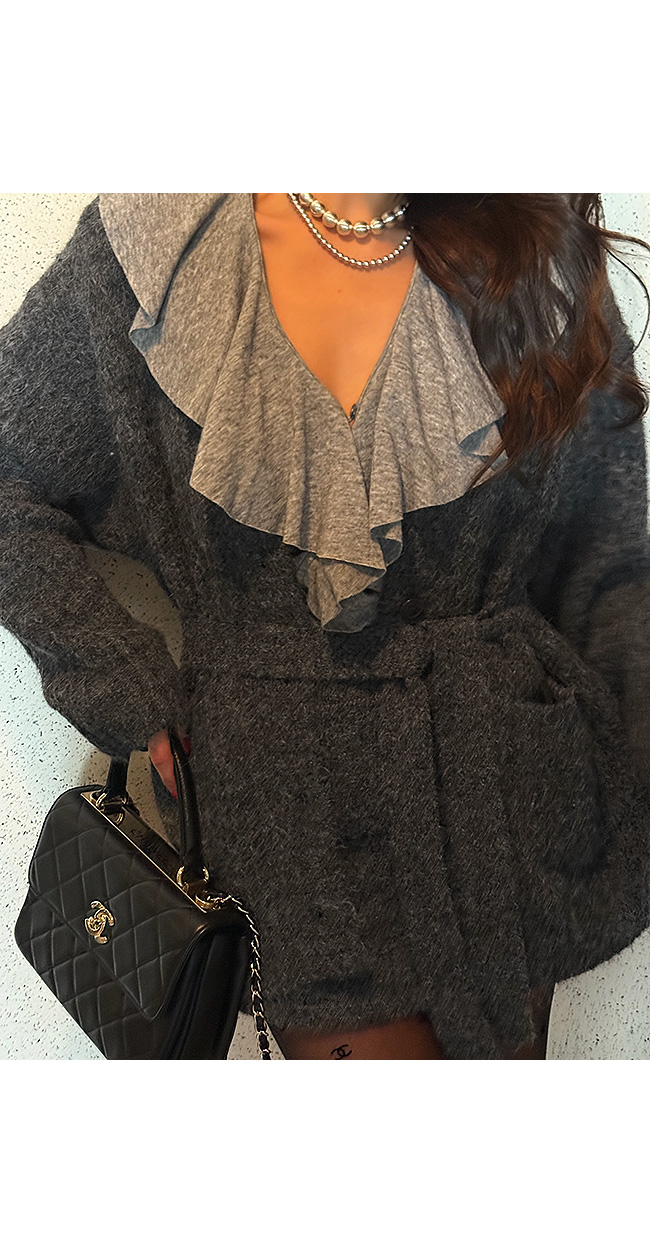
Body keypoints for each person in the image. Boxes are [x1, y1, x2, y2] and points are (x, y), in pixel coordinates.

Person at [1, 192, 649, 1060]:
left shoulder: (530, 246)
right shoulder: (154, 251)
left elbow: (609, 568)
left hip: (510, 806)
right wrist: (124, 683)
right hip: (288, 816)